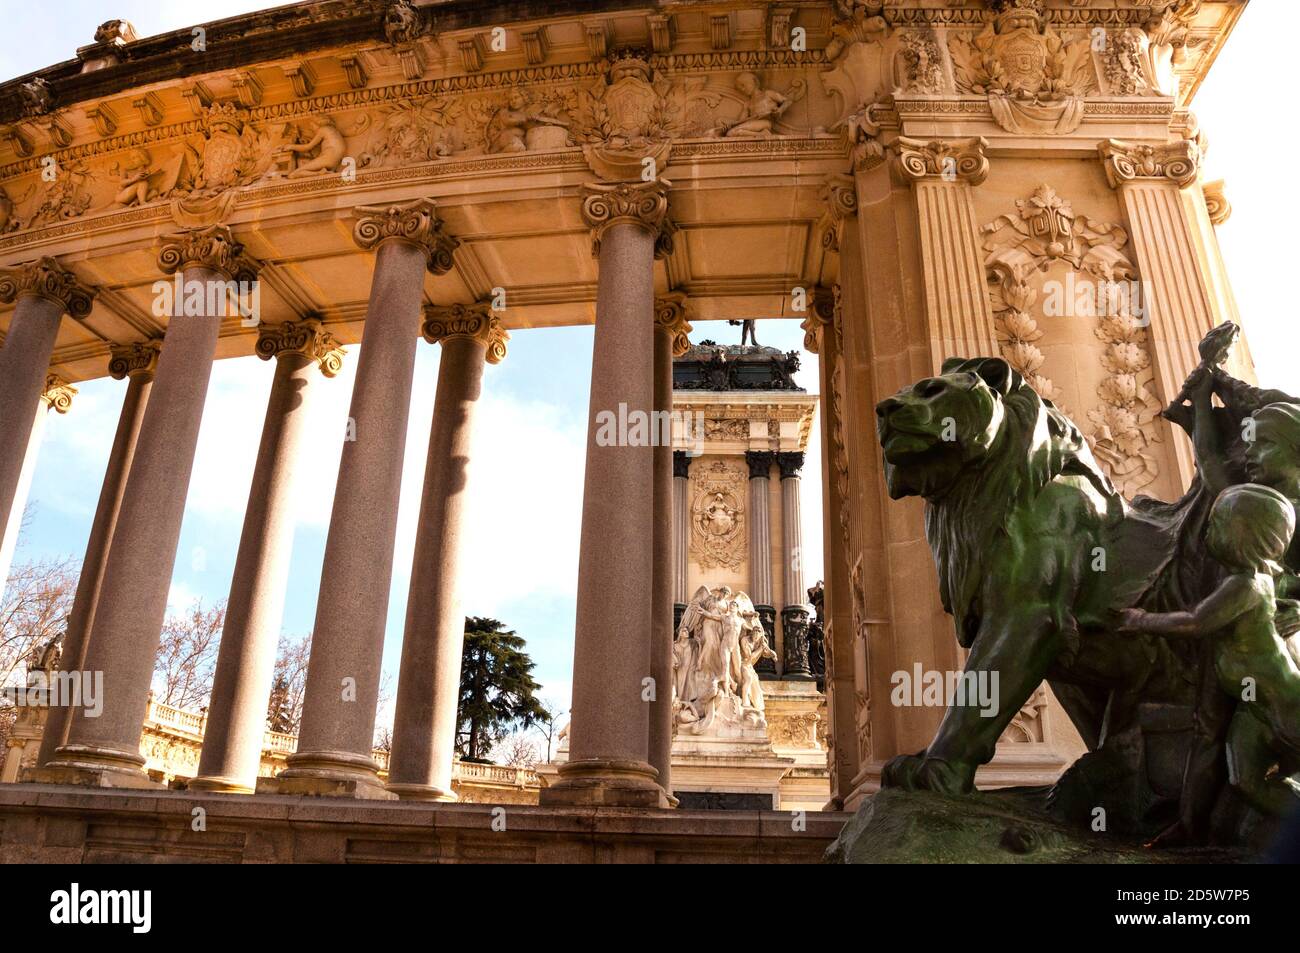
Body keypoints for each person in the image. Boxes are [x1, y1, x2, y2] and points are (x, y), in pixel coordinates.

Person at [1119, 484, 1300, 830]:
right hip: (1254, 710)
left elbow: (1195, 622)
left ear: (1245, 537)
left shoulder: (1246, 586)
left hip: (1285, 705)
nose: (1207, 531)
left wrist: (1140, 620)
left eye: (1218, 524)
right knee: (1243, 781)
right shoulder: (1243, 581)